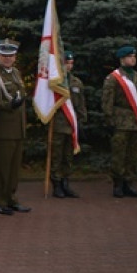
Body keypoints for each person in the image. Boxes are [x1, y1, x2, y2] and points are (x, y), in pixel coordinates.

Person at [0, 40, 30, 215]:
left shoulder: (16, 73)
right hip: (3, 129)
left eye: (11, 56)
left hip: (18, 128)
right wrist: (10, 105)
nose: (8, 59)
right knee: (2, 168)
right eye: (4, 56)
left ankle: (11, 198)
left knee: (13, 168)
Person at [102, 45, 137, 198]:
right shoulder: (114, 78)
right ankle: (117, 184)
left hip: (135, 121)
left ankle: (128, 183)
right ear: (122, 59)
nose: (133, 59)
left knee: (133, 155)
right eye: (130, 56)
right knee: (119, 154)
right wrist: (109, 119)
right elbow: (107, 101)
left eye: (134, 56)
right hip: (120, 121)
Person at [50, 51, 87, 198]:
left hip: (72, 124)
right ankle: (56, 184)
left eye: (71, 63)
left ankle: (65, 182)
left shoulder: (76, 82)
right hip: (58, 123)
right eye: (66, 63)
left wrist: (82, 120)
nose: (69, 66)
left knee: (68, 156)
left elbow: (81, 104)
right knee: (57, 155)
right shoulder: (55, 82)